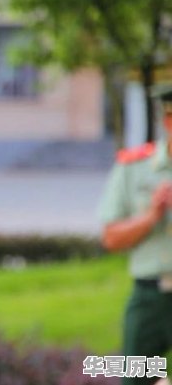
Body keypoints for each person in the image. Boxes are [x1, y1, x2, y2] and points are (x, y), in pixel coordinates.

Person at [98, 86, 172, 385]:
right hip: (150, 296)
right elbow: (111, 238)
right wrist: (151, 216)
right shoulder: (134, 168)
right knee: (134, 378)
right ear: (168, 121)